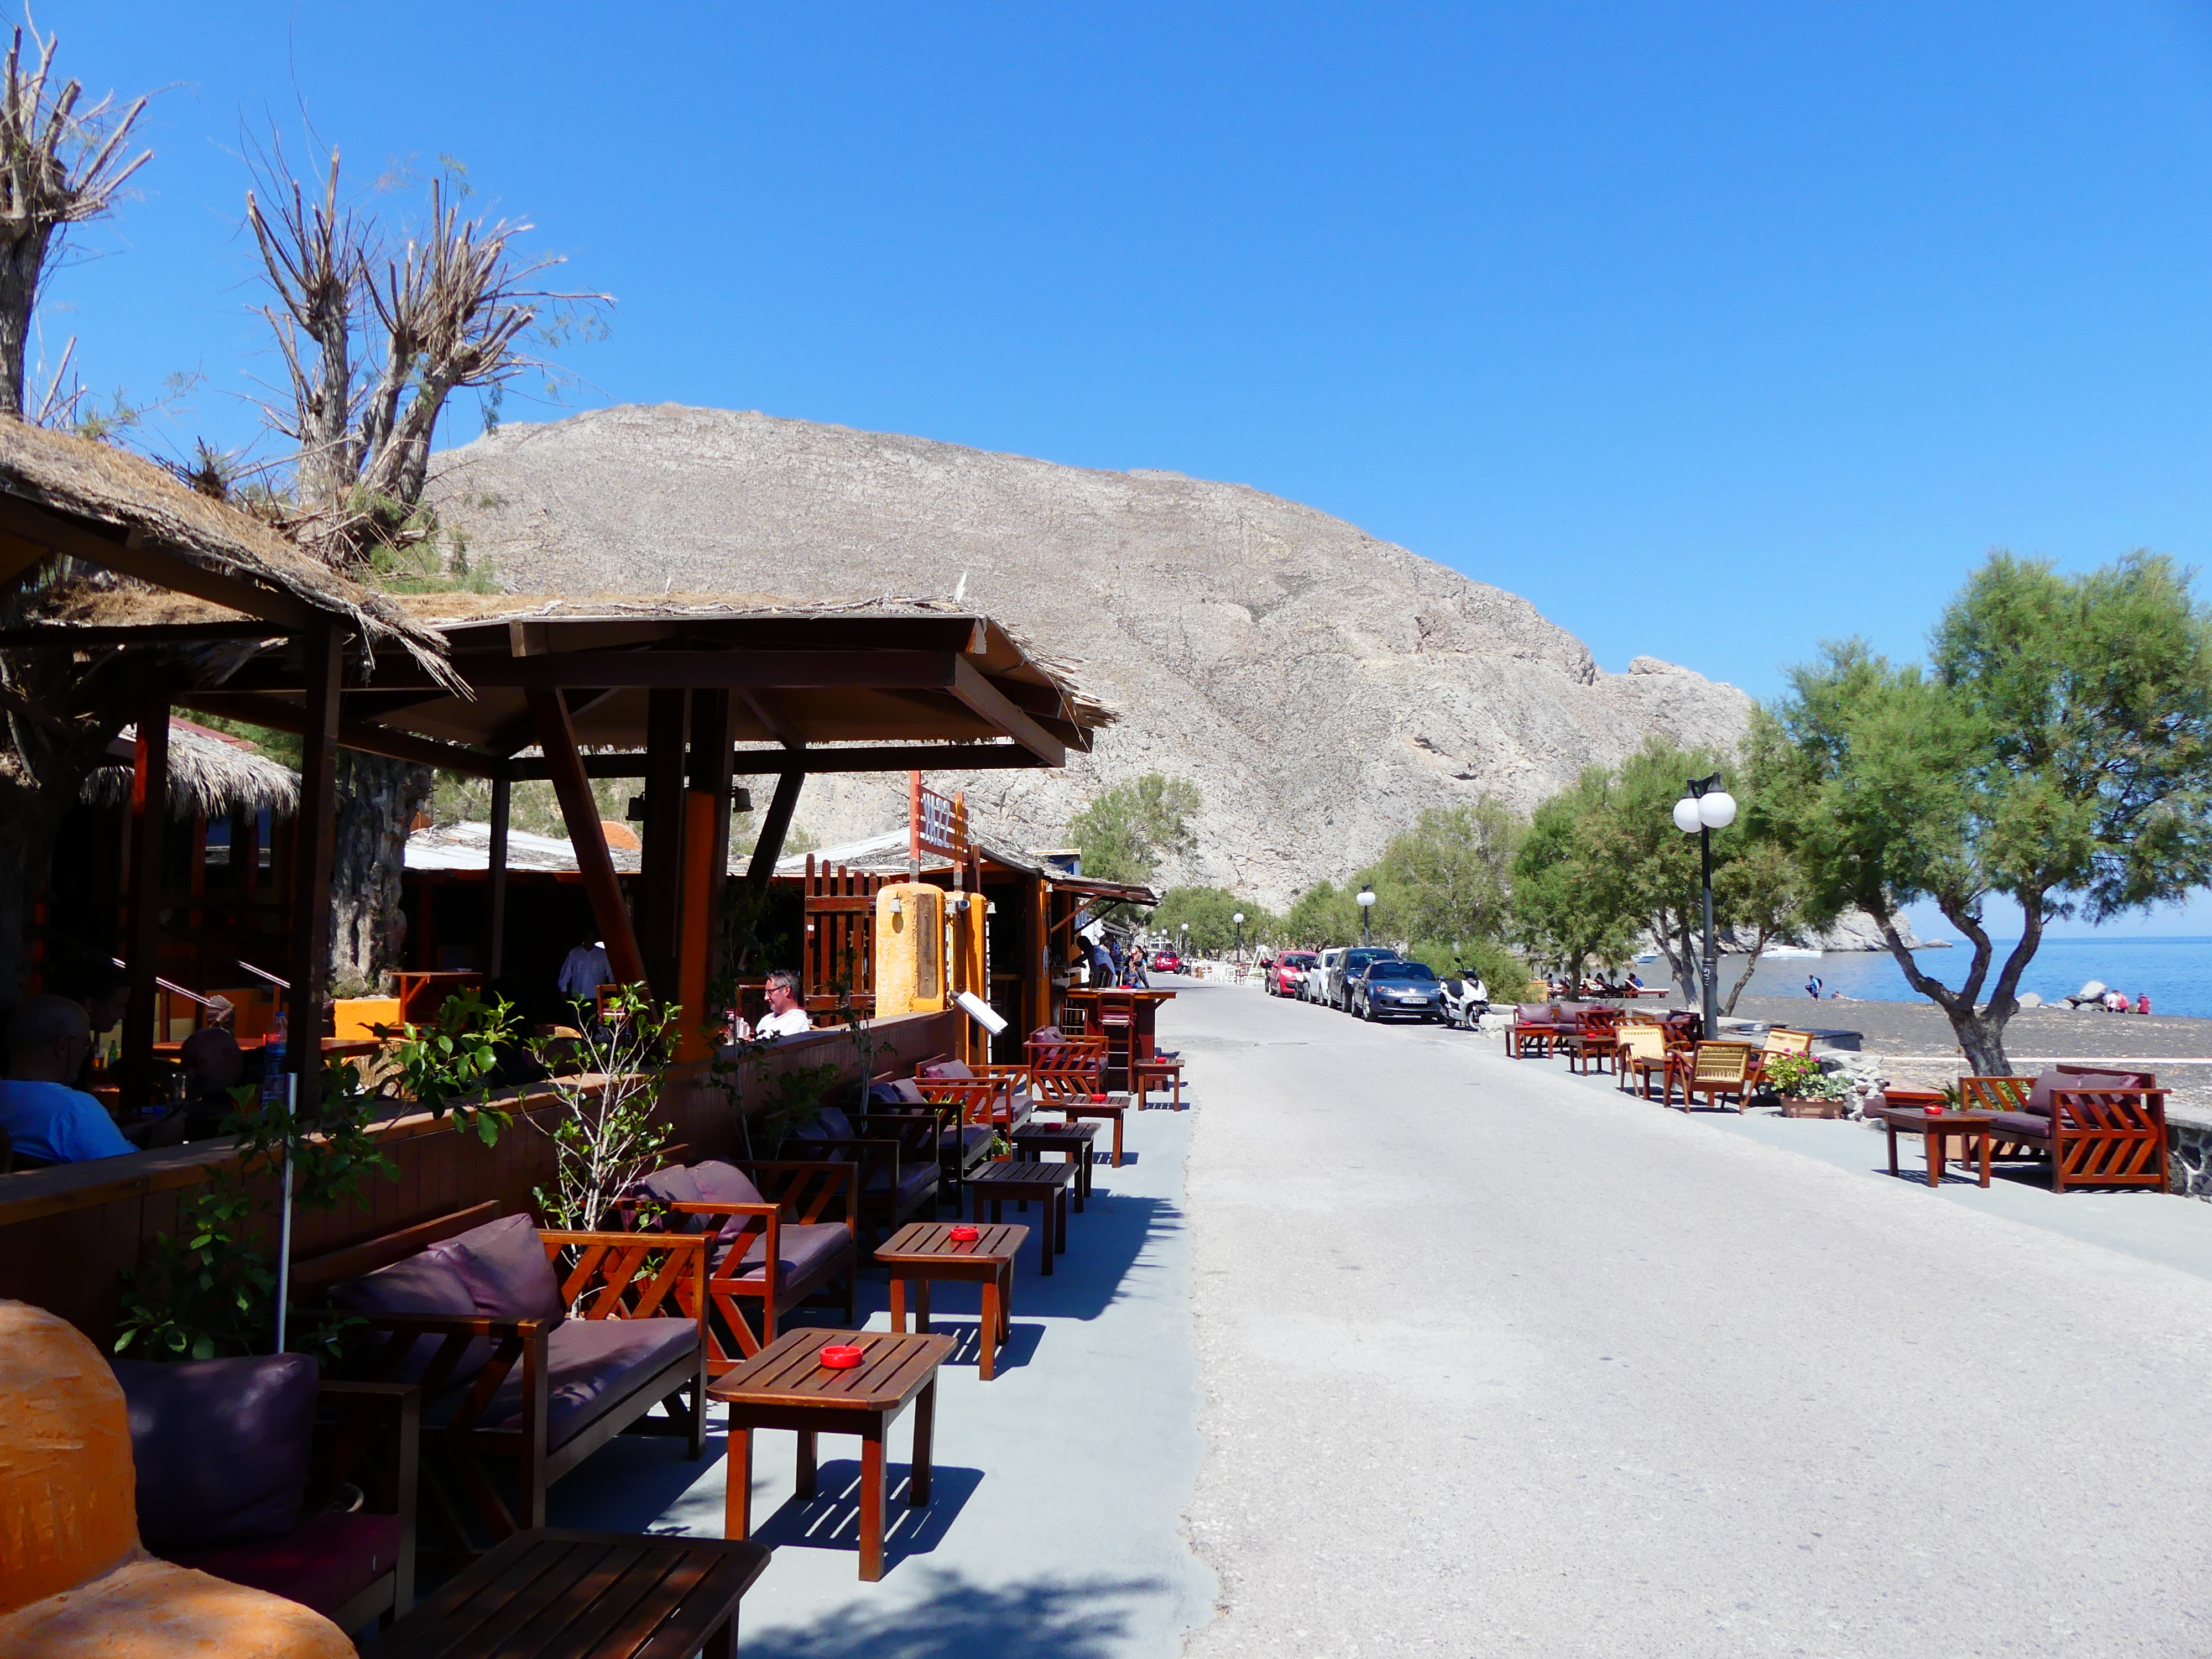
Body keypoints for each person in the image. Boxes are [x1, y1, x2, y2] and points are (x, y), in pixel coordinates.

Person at [0, 996, 133, 1165]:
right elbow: (131, 1171)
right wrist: (163, 1139)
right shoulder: (73, 1110)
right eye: (86, 1044)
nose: (86, 1053)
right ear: (63, 1046)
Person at [750, 969, 812, 1039]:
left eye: (770, 992)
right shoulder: (767, 1018)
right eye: (766, 993)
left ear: (787, 991)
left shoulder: (798, 1023)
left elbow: (779, 1049)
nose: (766, 998)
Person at [557, 936, 612, 1004]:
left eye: (591, 938)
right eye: (587, 938)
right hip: (578, 995)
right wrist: (563, 990)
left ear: (595, 940)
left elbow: (610, 972)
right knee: (577, 1014)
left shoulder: (603, 954)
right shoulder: (574, 953)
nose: (589, 941)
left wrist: (614, 988)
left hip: (596, 996)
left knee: (595, 1014)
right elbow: (566, 972)